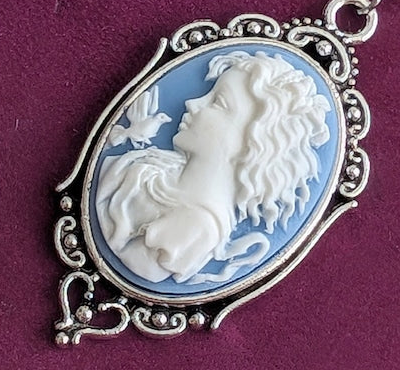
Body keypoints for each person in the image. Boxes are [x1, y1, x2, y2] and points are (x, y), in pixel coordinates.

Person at [95, 50, 331, 285]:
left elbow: (140, 266)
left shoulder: (195, 226)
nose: (191, 103)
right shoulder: (153, 166)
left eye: (217, 101)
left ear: (252, 143)